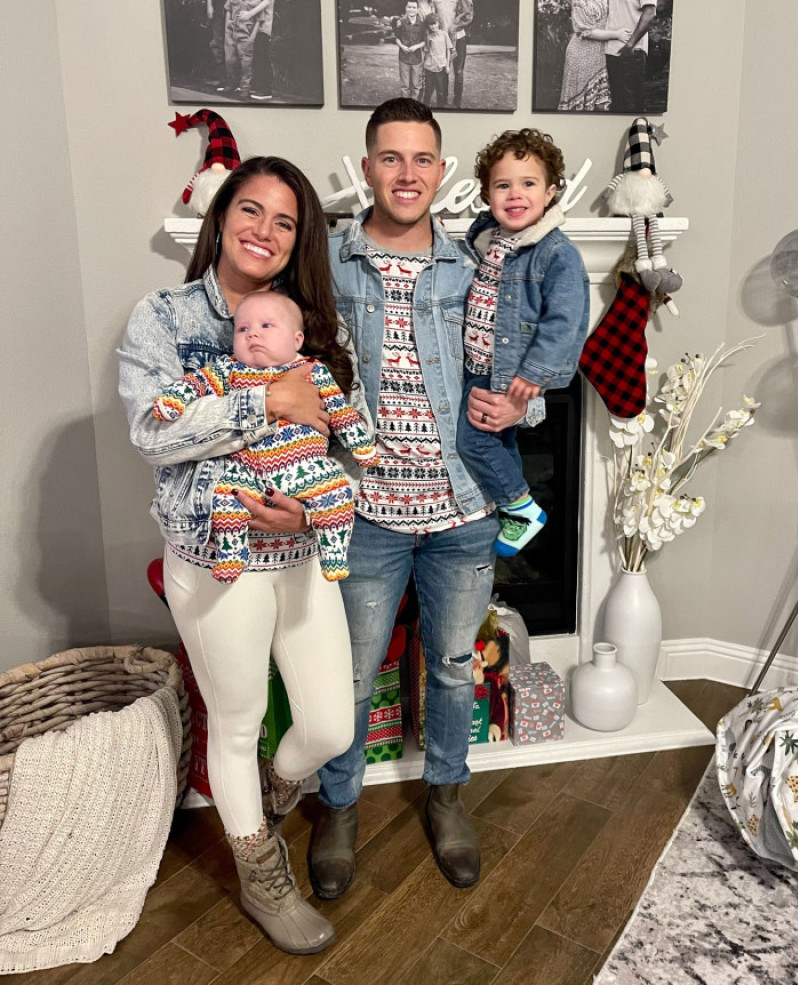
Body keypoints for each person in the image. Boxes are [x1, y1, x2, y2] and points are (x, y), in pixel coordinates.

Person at [119, 156, 363, 955]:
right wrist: (266, 399)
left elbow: (349, 438)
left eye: (285, 221)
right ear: (222, 217)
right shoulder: (165, 317)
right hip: (215, 555)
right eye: (250, 210)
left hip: (302, 552)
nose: (264, 230)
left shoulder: (316, 327)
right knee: (238, 720)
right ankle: (261, 870)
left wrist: (315, 500)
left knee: (328, 725)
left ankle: (267, 797)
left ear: (299, 240)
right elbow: (152, 432)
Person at [308, 98, 529, 900]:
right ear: (368, 166)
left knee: (453, 664)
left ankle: (445, 797)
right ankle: (338, 806)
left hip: (463, 508)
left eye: (423, 159)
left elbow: (519, 365)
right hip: (366, 509)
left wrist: (522, 404)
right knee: (352, 672)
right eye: (392, 158)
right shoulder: (328, 264)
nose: (408, 174)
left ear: (442, 170)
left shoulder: (478, 268)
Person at [153, 291, 378, 583]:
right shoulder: (230, 370)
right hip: (247, 469)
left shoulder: (313, 371)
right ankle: (232, 552)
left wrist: (360, 444)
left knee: (337, 494)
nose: (252, 334)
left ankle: (333, 550)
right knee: (224, 498)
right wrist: (175, 398)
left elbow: (340, 411)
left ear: (297, 340)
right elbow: (197, 382)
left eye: (266, 326)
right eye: (242, 329)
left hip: (305, 467)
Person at [457, 129, 590, 556]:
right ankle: (511, 506)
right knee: (502, 443)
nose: (515, 194)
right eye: (503, 185)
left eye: (528, 183)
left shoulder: (555, 252)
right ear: (487, 194)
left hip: (507, 372)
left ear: (550, 193)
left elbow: (565, 320)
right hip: (477, 364)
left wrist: (534, 374)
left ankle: (521, 507)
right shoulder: (490, 241)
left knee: (473, 441)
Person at [557, 0, 632, 112]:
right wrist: (617, 34)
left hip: (600, 54)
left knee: (600, 104)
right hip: (581, 54)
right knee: (581, 105)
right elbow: (587, 32)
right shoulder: (579, 2)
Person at [605, 0, 656, 113]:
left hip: (630, 53)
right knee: (617, 105)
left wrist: (630, 44)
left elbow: (650, 13)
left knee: (630, 106)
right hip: (610, 51)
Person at [391, 1, 426, 101]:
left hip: (416, 59)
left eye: (414, 7)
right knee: (404, 86)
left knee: (415, 86)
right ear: (406, 8)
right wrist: (402, 46)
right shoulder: (400, 22)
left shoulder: (422, 24)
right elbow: (397, 38)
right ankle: (405, 106)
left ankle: (414, 105)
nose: (411, 9)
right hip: (404, 58)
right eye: (409, 7)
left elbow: (424, 41)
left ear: (417, 9)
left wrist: (416, 47)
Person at [421, 13, 453, 108]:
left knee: (441, 90)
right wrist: (427, 42)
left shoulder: (444, 34)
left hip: (441, 66)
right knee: (428, 89)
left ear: (439, 23)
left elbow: (448, 50)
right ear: (428, 26)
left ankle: (440, 108)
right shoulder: (428, 36)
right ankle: (425, 108)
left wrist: (447, 65)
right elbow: (426, 51)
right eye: (430, 24)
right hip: (429, 67)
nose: (433, 26)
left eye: (434, 23)